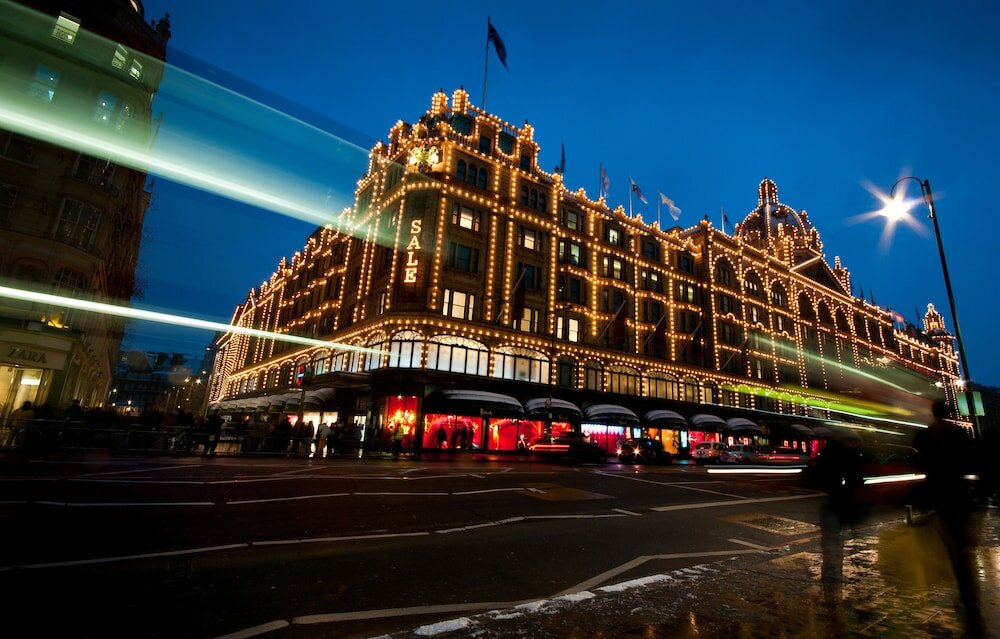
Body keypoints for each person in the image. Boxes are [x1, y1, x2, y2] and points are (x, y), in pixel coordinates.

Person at [912, 400, 983, 636]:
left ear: (933, 413)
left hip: (941, 496)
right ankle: (969, 593)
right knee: (962, 544)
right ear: (950, 413)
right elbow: (973, 460)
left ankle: (964, 588)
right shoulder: (960, 434)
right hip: (960, 495)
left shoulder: (926, 436)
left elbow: (920, 463)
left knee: (952, 543)